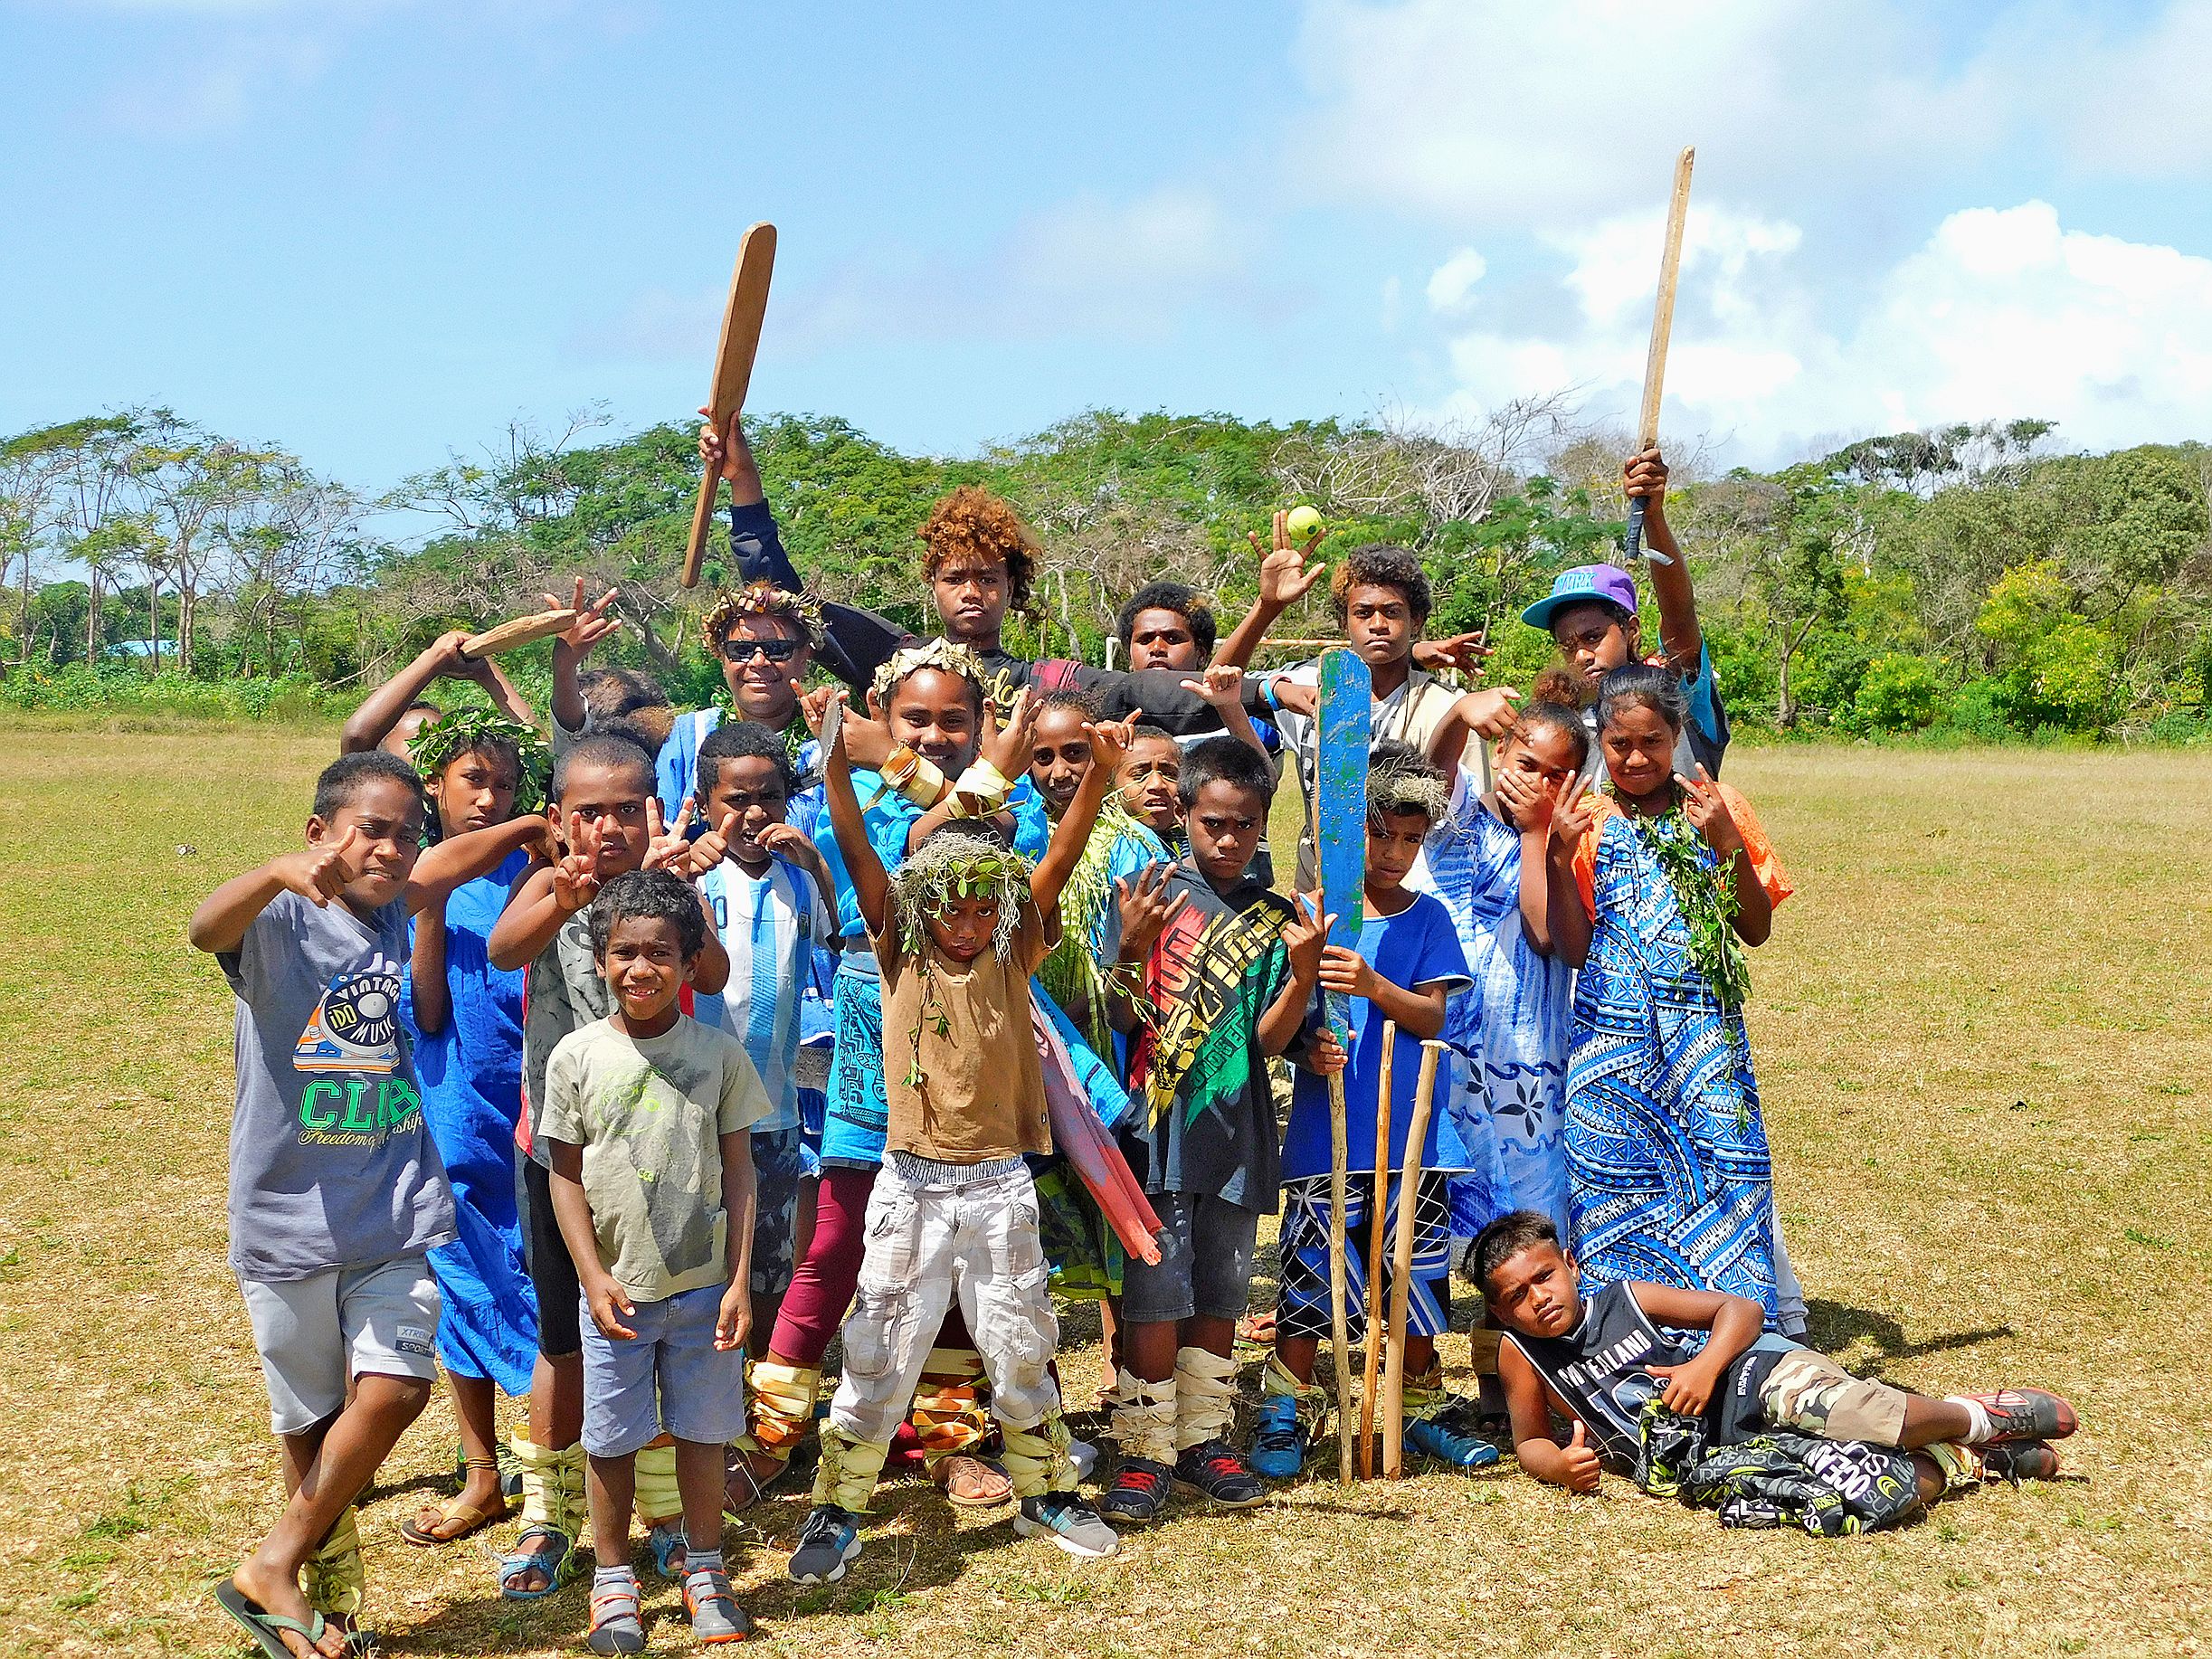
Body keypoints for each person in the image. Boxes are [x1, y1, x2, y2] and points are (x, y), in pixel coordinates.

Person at [188, 751, 552, 1659]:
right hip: (286, 1219)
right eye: (371, 830)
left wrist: (525, 828)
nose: (392, 847)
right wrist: (275, 873)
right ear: (320, 835)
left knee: (393, 1388)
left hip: (391, 1209)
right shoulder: (277, 923)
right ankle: (319, 1602)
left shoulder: (392, 910)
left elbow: (448, 865)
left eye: (404, 831)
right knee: (311, 1425)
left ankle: (271, 1561)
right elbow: (202, 929)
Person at [788, 693, 1132, 1581]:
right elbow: (860, 848)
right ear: (920, 903)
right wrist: (834, 765)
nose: (968, 925)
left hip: (999, 1182)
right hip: (911, 1182)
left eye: (985, 909)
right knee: (880, 1346)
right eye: (953, 908)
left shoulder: (1015, 948)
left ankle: (1049, 1491)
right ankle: (837, 1508)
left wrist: (1096, 771)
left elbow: (1058, 853)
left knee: (1021, 1341)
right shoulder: (898, 942)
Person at [733, 644, 1045, 1513]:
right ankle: (772, 1434)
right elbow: (914, 846)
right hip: (874, 1040)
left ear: (979, 724)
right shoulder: (845, 792)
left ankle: (948, 1441)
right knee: (835, 1245)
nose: (936, 736)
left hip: (968, 1062)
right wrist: (864, 758)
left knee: (957, 1258)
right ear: (881, 708)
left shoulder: (1005, 803)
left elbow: (965, 839)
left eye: (956, 722)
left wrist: (888, 753)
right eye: (915, 721)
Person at [487, 735, 730, 1596]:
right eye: (588, 812)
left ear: (653, 810)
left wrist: (680, 896)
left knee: (664, 1335)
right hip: (560, 1156)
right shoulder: (548, 885)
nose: (611, 827)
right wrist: (560, 896)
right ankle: (549, 1519)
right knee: (565, 1339)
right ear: (557, 818)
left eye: (630, 809)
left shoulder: (664, 890)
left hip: (669, 1163)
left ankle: (663, 1515)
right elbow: (504, 951)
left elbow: (716, 969)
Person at [1472, 1209, 2074, 1517]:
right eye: (1516, 1297)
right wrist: (1560, 1466)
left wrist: (1704, 1367)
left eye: (1544, 1277)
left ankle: (1975, 1418)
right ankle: (1971, 1460)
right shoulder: (1520, 1355)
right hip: (1710, 1459)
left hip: (1749, 1384)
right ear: (1499, 1314)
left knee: (1856, 1411)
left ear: (1571, 1266)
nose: (1538, 1299)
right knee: (1845, 1497)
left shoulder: (1625, 1299)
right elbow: (1528, 1442)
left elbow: (1739, 1308)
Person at [1094, 737, 1328, 1522]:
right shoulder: (1145, 895)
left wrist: (1301, 976)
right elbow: (1120, 1020)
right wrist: (1129, 947)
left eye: (1245, 826)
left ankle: (1200, 1438)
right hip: (1153, 1127)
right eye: (1213, 824)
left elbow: (1266, 1042)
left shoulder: (1277, 919)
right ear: (1185, 814)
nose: (1228, 841)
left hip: (1237, 1129)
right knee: (1156, 1291)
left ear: (1264, 823)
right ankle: (1144, 1447)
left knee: (1223, 1287)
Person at [541, 869, 770, 1652]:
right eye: (623, 953)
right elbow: (564, 1177)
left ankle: (704, 1569)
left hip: (706, 1292)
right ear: (600, 957)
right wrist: (591, 1276)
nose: (640, 969)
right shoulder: (574, 1057)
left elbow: (741, 1170)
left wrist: (740, 1280)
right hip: (618, 1295)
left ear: (690, 960)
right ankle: (612, 1580)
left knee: (706, 1433)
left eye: (660, 954)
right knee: (610, 1439)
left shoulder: (718, 1056)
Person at [1255, 745, 1489, 1478]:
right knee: (1309, 1281)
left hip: (1414, 1138)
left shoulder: (1428, 918)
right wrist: (1304, 1049)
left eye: (1411, 839)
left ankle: (1416, 1408)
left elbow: (1433, 1018)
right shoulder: (1309, 917)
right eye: (1379, 833)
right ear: (1342, 831)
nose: (1393, 853)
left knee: (1412, 1279)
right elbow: (1273, 1031)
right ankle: (1284, 1410)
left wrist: (1372, 983)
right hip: (1327, 1138)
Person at [1535, 666, 1792, 1327]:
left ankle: (1740, 1330)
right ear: (1601, 741)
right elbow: (1571, 947)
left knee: (1725, 1166)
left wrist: (1726, 843)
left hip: (1703, 1036)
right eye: (1619, 744)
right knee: (1611, 1176)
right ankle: (1625, 1330)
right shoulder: (1585, 819)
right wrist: (1558, 858)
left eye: (1650, 741)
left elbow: (1755, 929)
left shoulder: (1716, 806)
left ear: (1676, 734)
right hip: (1612, 1047)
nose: (1634, 758)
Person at [393, 710, 552, 1550]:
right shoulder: (424, 876)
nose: (489, 798)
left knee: (548, 1262)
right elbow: (426, 1009)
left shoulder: (541, 864)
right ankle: (482, 1470)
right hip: (458, 1090)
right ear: (435, 788)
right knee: (463, 1267)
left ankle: (556, 1457)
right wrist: (432, 909)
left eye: (504, 783)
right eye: (471, 781)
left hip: (546, 1092)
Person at [684, 722, 837, 1365]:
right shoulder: (688, 879)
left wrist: (818, 866)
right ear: (703, 804)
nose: (753, 814)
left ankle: (760, 1402)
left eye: (768, 798)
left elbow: (835, 938)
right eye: (735, 801)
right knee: (695, 1259)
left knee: (769, 1262)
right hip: (692, 1112)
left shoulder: (797, 880)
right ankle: (697, 1393)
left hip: (771, 1111)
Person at [1413, 703, 1590, 1246]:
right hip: (1443, 1036)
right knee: (1437, 1177)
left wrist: (1539, 836)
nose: (1538, 783)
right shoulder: (1460, 814)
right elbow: (1428, 777)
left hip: (1525, 1047)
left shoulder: (1571, 838)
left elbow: (1543, 935)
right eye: (1527, 765)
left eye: (1556, 776)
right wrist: (1458, 715)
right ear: (1499, 754)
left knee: (1529, 1189)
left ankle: (1510, 1320)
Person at [1266, 545, 1517, 885]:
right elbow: (1223, 684)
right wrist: (1268, 606)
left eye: (1392, 612)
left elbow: (1468, 823)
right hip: (1319, 887)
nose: (1378, 624)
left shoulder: (1447, 708)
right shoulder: (1311, 689)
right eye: (1363, 612)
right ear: (1344, 621)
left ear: (1416, 621)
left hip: (1411, 893)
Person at [1516, 447, 1727, 782]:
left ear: (1631, 630)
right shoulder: (1567, 723)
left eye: (1593, 637)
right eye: (1567, 645)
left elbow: (1680, 616)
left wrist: (1653, 515)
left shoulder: (1677, 695)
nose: (1582, 655)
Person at [339, 628, 535, 759]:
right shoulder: (381, 796)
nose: (431, 748)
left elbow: (538, 751)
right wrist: (435, 658)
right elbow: (357, 737)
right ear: (381, 755)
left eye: (443, 740)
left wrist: (487, 672)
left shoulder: (462, 808)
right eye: (418, 738)